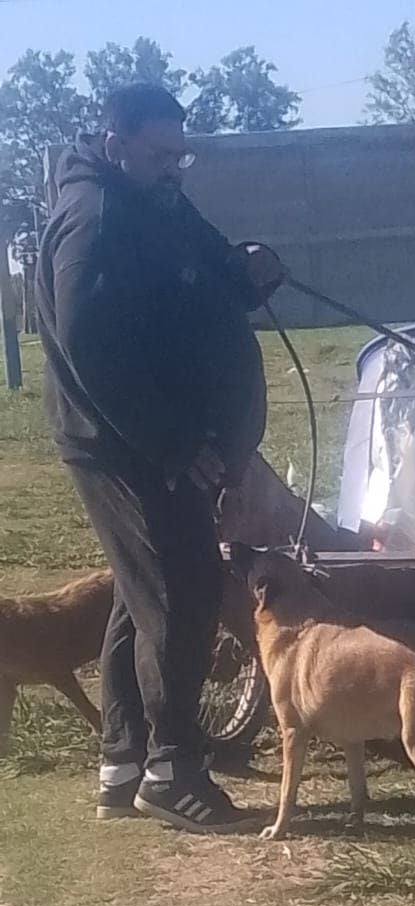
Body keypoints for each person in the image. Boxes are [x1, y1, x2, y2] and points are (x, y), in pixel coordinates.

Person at [35, 83, 285, 833]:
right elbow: (92, 351)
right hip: (125, 442)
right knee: (182, 585)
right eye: (159, 154)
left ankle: (124, 756)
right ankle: (173, 768)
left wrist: (245, 275)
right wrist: (176, 443)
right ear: (115, 142)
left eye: (182, 153)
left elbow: (204, 272)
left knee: (138, 589)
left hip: (164, 435)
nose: (176, 167)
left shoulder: (157, 201)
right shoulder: (95, 220)